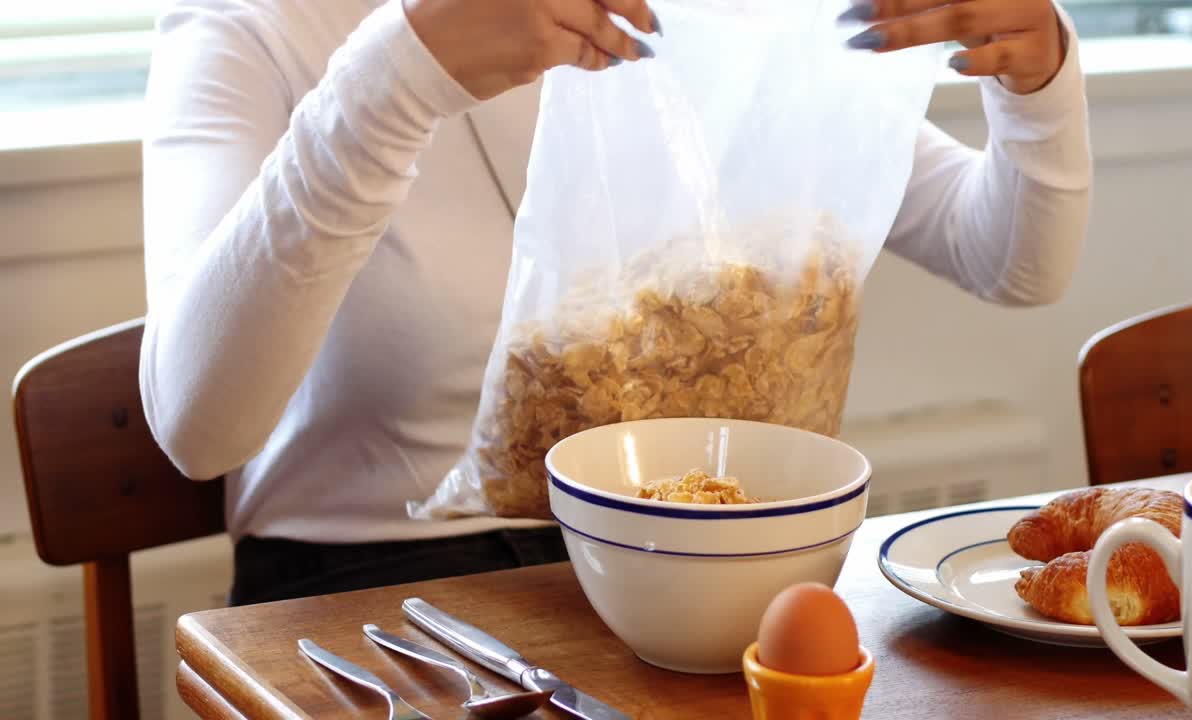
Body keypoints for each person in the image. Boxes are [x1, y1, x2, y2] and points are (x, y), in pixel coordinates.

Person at [139, 0, 1091, 606]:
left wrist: (1036, 68)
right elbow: (197, 427)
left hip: (703, 566)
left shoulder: (703, 24)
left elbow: (1008, 262)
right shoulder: (256, 27)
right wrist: (398, 75)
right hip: (370, 589)